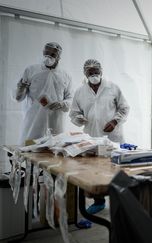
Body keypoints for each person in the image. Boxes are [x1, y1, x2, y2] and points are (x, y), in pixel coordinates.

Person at [69, 59, 130, 214]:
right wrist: (79, 119)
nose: (94, 75)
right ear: (85, 74)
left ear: (101, 71)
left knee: (116, 167)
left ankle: (122, 199)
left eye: (96, 72)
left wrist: (115, 121)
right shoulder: (80, 91)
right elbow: (74, 113)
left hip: (112, 136)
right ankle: (99, 201)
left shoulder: (112, 87)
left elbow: (124, 108)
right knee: (94, 169)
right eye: (90, 73)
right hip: (92, 136)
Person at [15, 42, 73, 145]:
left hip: (56, 123)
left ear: (59, 57)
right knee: (30, 149)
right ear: (43, 52)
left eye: (53, 55)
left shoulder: (65, 75)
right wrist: (21, 88)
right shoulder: (31, 70)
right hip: (34, 122)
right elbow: (19, 98)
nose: (48, 57)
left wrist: (62, 104)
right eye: (46, 53)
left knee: (53, 152)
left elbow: (70, 98)